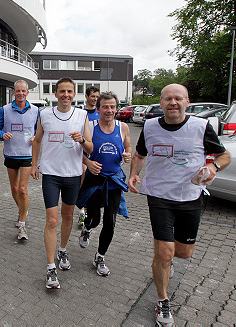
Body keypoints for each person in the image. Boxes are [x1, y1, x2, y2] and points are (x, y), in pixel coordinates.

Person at [128, 84, 230, 326]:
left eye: (178, 99)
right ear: (161, 103)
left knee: (183, 253)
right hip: (159, 196)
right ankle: (163, 301)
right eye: (168, 99)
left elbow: (223, 156)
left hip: (190, 196)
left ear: (187, 102)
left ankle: (169, 261)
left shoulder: (201, 127)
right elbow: (141, 154)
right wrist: (133, 174)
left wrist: (213, 168)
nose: (173, 103)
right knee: (163, 252)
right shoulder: (150, 126)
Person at [31, 77, 93, 289]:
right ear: (55, 94)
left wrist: (82, 141)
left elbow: (91, 148)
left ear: (74, 94)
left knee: (68, 216)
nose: (66, 95)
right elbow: (37, 140)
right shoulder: (44, 114)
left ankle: (63, 250)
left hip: (73, 174)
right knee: (51, 221)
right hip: (50, 174)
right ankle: (50, 268)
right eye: (62, 91)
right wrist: (33, 164)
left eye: (69, 91)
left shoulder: (82, 115)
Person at [75, 92, 132, 277]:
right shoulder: (90, 126)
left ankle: (100, 256)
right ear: (98, 108)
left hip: (114, 181)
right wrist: (88, 163)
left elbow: (129, 147)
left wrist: (128, 155)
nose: (109, 110)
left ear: (117, 108)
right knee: (95, 219)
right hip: (94, 181)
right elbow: (77, 152)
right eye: (105, 107)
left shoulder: (122, 127)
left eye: (112, 107)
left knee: (110, 222)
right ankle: (87, 229)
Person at [0, 80, 39, 240]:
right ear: (14, 92)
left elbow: (40, 131)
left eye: (23, 91)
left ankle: (22, 224)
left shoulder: (35, 110)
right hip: (11, 154)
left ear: (27, 92)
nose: (20, 94)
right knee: (14, 188)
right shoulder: (4, 110)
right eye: (18, 91)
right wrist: (1, 135)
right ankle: (23, 211)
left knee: (22, 189)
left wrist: (36, 137)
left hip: (27, 155)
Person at [78, 86, 101, 227]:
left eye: (97, 96)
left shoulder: (101, 113)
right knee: (83, 177)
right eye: (92, 96)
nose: (95, 99)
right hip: (83, 152)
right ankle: (82, 211)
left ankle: (89, 208)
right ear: (86, 97)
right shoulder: (80, 112)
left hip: (97, 153)